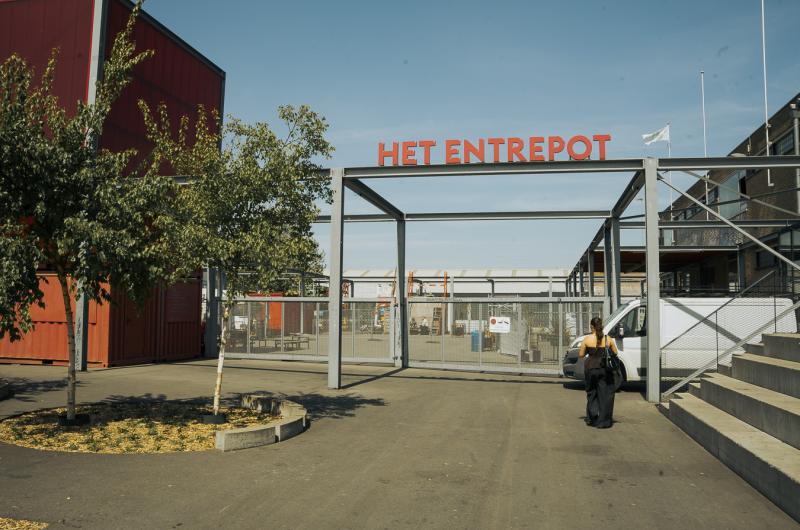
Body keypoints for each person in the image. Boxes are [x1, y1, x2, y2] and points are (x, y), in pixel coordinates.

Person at [578, 316, 619, 428]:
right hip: (604, 370)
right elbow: (615, 353)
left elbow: (581, 355)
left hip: (590, 368)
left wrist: (589, 351)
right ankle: (603, 421)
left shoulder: (587, 339)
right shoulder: (608, 339)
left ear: (592, 326)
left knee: (591, 393)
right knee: (605, 394)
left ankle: (592, 418)